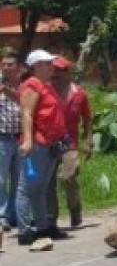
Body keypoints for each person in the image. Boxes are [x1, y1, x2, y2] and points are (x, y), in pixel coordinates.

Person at [15, 50, 70, 245]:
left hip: (51, 144)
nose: (51, 66)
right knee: (27, 188)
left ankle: (42, 226)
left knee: (41, 188)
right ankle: (24, 230)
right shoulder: (31, 85)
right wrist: (28, 140)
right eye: (47, 63)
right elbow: (27, 114)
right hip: (37, 143)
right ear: (36, 66)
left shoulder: (46, 86)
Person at [47, 57, 91, 229]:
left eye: (58, 71)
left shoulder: (79, 94)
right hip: (49, 142)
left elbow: (87, 118)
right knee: (49, 181)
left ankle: (75, 210)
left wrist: (88, 141)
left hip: (69, 142)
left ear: (67, 73)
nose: (54, 74)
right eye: (53, 71)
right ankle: (51, 218)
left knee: (67, 176)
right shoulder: (46, 92)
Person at [0, 51, 22, 231]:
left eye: (10, 64)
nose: (6, 67)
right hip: (2, 139)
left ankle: (15, 214)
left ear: (19, 68)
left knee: (18, 180)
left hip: (21, 139)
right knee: (0, 179)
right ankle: (2, 216)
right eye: (4, 64)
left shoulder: (25, 86)